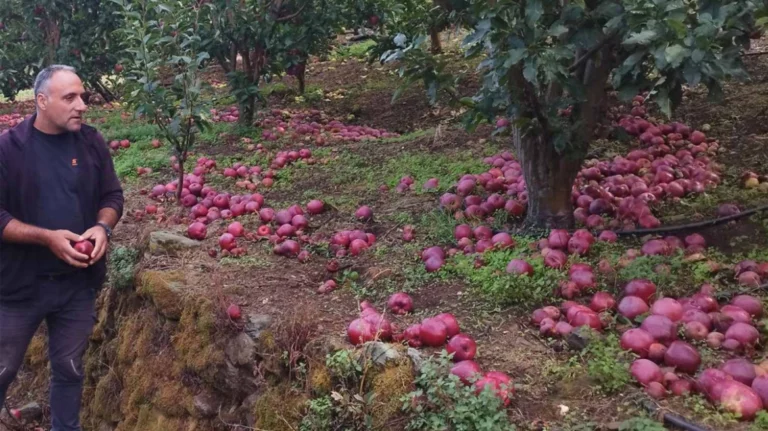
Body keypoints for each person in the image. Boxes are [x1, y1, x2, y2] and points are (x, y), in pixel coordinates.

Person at [0, 65, 124, 431]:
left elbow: (112, 195)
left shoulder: (91, 141)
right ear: (41, 101)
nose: (82, 105)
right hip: (19, 287)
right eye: (70, 97)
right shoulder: (9, 148)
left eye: (82, 96)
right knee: (3, 367)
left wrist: (103, 227)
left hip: (76, 284)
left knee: (69, 369)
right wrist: (46, 237)